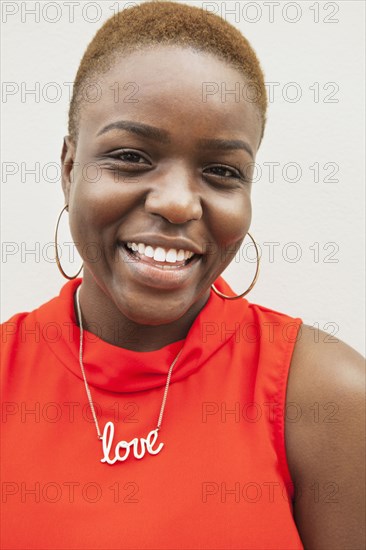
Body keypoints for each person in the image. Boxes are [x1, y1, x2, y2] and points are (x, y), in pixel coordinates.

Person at [1, 1, 364, 549]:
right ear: (70, 168)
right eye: (130, 156)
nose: (176, 203)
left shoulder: (326, 396)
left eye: (222, 171)